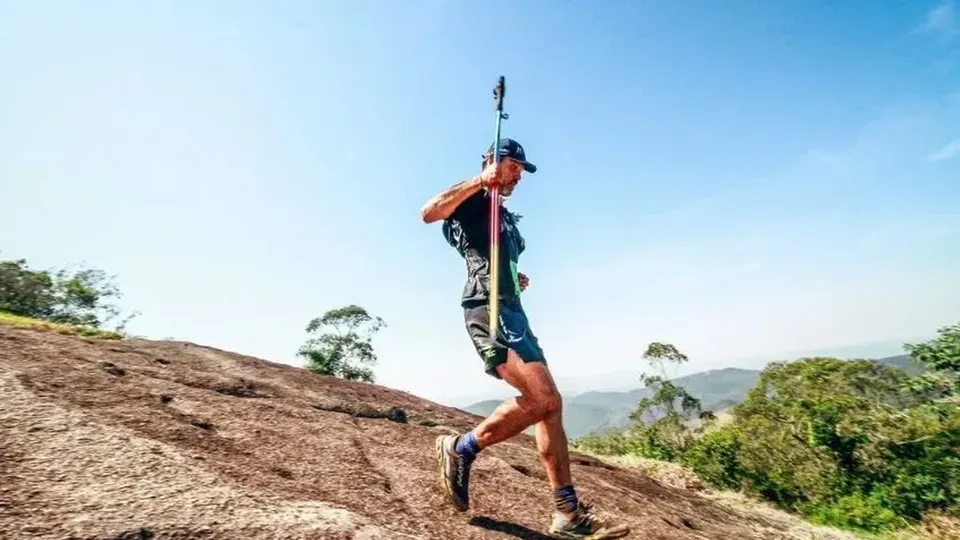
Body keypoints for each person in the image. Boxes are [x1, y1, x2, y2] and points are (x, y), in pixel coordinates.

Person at [419, 138, 630, 539]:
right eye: (513, 165)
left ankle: (567, 514)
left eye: (520, 169)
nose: (518, 174)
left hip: (513, 308)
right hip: (488, 308)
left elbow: (500, 260)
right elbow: (429, 212)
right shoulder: (474, 201)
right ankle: (461, 448)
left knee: (551, 407)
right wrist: (481, 181)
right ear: (492, 162)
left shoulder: (506, 216)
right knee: (544, 398)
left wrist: (517, 277)